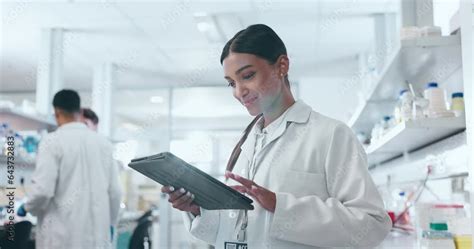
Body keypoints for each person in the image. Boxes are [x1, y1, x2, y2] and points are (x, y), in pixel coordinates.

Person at [161, 24, 391, 248]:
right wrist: (198, 209)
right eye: (232, 83)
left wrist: (280, 207)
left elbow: (372, 225)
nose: (239, 91)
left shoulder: (331, 135)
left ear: (282, 66)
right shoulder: (246, 144)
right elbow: (236, 228)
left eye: (248, 75)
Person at [18, 89, 122, 249]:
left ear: (56, 113)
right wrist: (111, 223)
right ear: (80, 112)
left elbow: (43, 191)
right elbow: (115, 192)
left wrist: (27, 207)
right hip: (97, 239)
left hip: (62, 239)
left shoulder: (51, 142)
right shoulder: (104, 144)